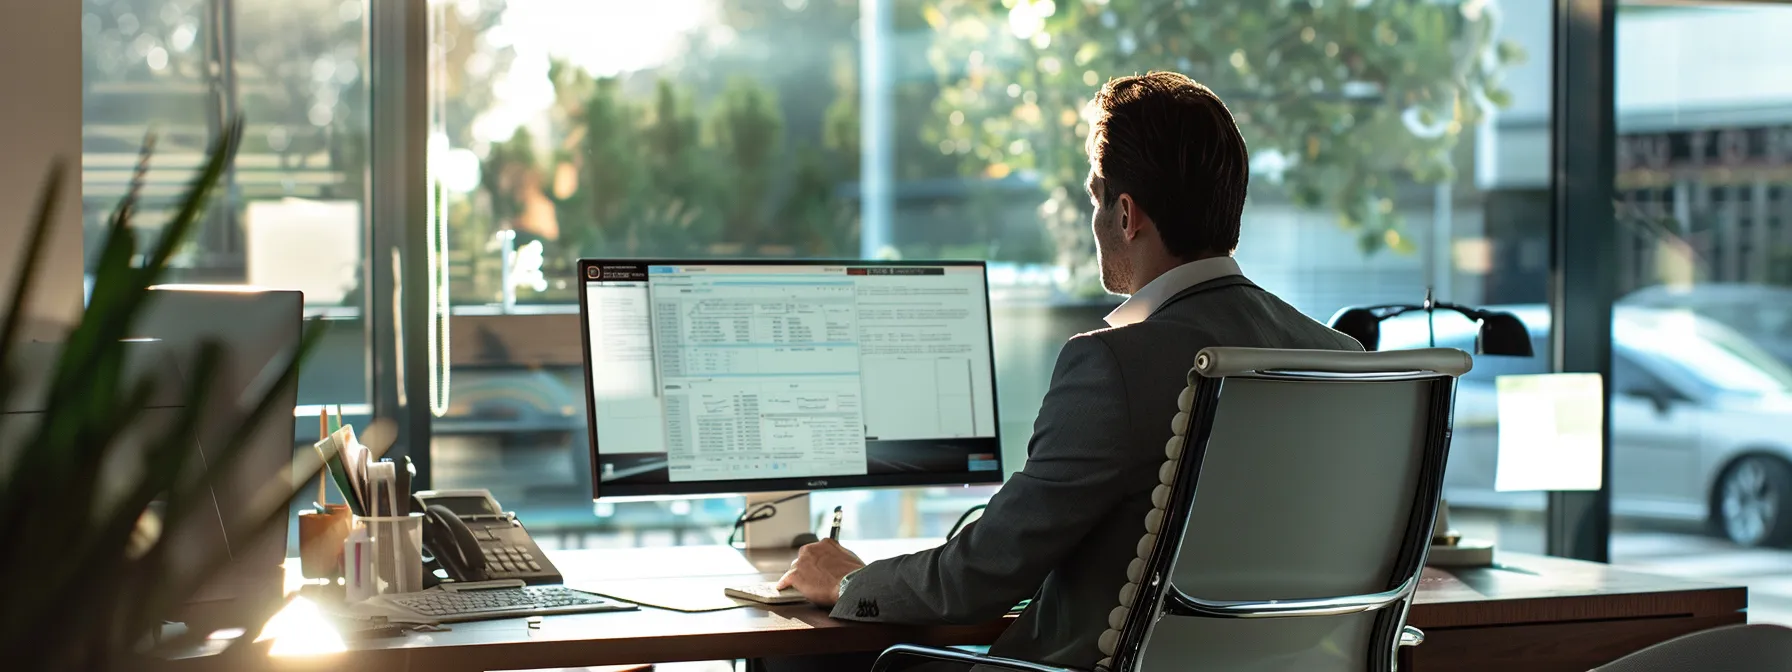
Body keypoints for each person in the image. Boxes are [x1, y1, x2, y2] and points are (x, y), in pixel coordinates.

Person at [774, 71, 1364, 671]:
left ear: (1126, 213)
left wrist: (853, 582)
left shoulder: (1113, 364)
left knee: (804, 661)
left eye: (1093, 198)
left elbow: (983, 575)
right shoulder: (1342, 361)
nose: (1093, 219)